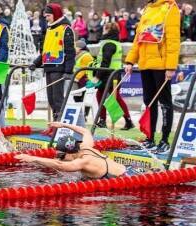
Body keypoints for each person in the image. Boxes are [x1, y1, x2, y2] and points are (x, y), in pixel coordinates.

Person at [125, 0, 180, 153]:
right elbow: (138, 38)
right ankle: (149, 138)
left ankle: (164, 140)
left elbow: (173, 39)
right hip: (145, 64)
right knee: (149, 103)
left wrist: (170, 66)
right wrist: (130, 60)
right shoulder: (148, 8)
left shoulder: (170, 8)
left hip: (161, 65)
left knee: (165, 103)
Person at [15, 122, 138, 179]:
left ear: (70, 153)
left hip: (127, 179)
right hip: (131, 170)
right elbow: (85, 131)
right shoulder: (86, 146)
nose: (59, 158)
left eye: (61, 156)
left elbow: (60, 165)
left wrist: (33, 158)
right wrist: (63, 125)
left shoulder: (83, 161)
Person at [29, 3, 75, 134]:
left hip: (59, 68)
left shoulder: (65, 29)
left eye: (48, 15)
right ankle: (55, 125)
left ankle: (60, 128)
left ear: (55, 14)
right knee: (51, 99)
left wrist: (68, 71)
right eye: (45, 15)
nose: (46, 17)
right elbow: (45, 51)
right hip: (49, 68)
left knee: (57, 99)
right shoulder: (49, 29)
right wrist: (36, 63)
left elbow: (70, 52)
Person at [86, 22, 134, 130]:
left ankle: (124, 120)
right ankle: (106, 120)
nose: (103, 30)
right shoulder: (114, 43)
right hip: (112, 74)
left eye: (104, 29)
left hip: (110, 75)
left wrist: (97, 77)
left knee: (112, 98)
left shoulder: (109, 44)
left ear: (108, 30)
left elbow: (105, 62)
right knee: (104, 96)